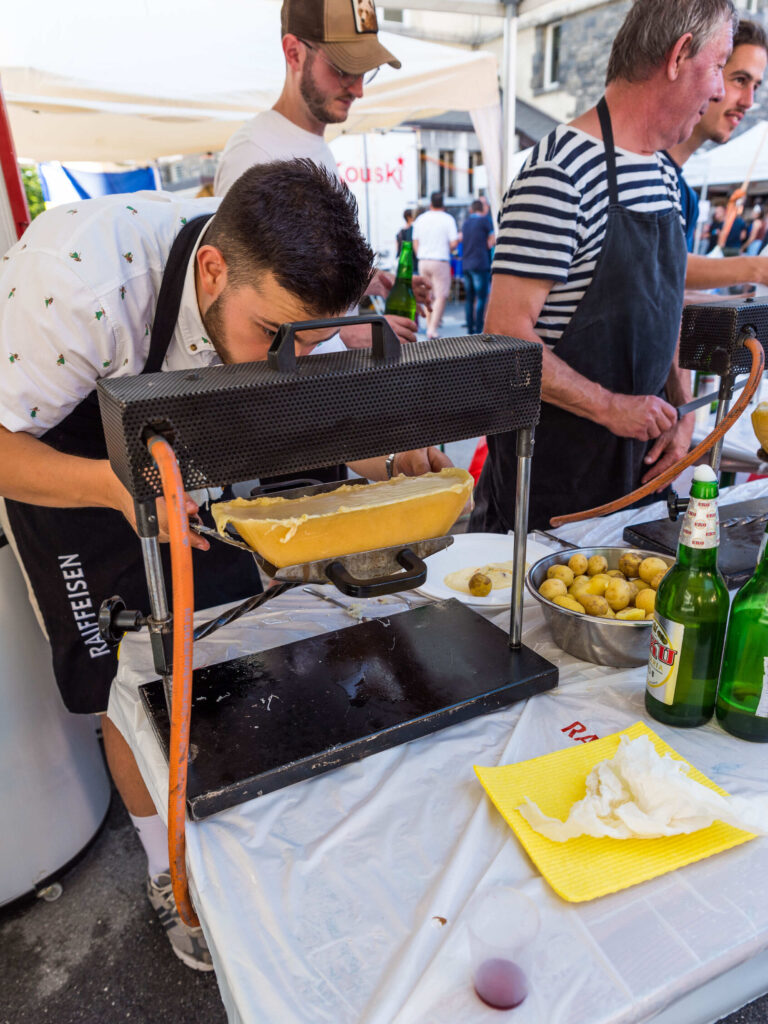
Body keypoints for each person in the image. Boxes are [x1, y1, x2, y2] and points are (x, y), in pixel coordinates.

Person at [0, 160, 449, 971]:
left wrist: (391, 462)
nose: (287, 358)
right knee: (128, 676)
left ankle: (235, 834)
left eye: (306, 341)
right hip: (68, 468)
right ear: (211, 271)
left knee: (229, 638)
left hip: (177, 453)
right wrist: (114, 490)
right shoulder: (80, 279)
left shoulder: (275, 302)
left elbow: (307, 416)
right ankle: (165, 869)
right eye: (272, 336)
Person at [470, 0, 735, 533]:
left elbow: (660, 308)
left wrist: (681, 409)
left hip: (637, 481)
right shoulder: (558, 173)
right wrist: (611, 406)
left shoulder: (663, 174)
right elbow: (505, 334)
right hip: (553, 488)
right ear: (679, 56)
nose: (720, 90)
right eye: (719, 65)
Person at [214, 0, 429, 350]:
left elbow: (302, 271)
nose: (358, 89)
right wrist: (346, 334)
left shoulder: (313, 146)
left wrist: (368, 281)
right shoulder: (255, 153)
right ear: (294, 53)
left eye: (365, 71)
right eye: (344, 69)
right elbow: (239, 304)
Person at [668, 18, 768, 283]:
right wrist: (756, 269)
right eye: (740, 80)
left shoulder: (685, 195)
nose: (748, 102)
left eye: (755, 86)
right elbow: (658, 268)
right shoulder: (637, 170)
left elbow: (671, 292)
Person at [412, 192, 459, 340]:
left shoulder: (420, 219)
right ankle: (432, 329)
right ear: (443, 203)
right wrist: (448, 247)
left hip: (423, 260)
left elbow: (415, 241)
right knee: (441, 295)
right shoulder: (448, 219)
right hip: (440, 260)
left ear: (430, 203)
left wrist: (420, 255)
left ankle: (429, 326)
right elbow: (453, 243)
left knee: (428, 295)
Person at [460, 199, 495, 334]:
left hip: (466, 264)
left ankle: (470, 328)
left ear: (471, 210)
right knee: (481, 298)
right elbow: (491, 242)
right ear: (482, 209)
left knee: (469, 298)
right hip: (480, 263)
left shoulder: (466, 223)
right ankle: (479, 328)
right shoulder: (485, 221)